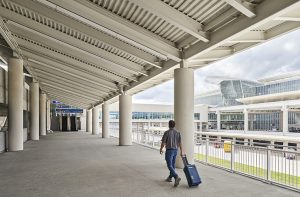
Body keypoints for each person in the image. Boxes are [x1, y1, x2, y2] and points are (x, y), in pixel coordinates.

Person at [160, 120, 183, 187]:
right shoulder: (178, 133)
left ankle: (176, 177)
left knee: (169, 165)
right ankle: (170, 177)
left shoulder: (166, 132)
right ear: (174, 125)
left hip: (169, 150)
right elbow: (180, 143)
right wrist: (181, 151)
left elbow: (163, 142)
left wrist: (161, 149)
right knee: (172, 165)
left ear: (169, 125)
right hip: (175, 150)